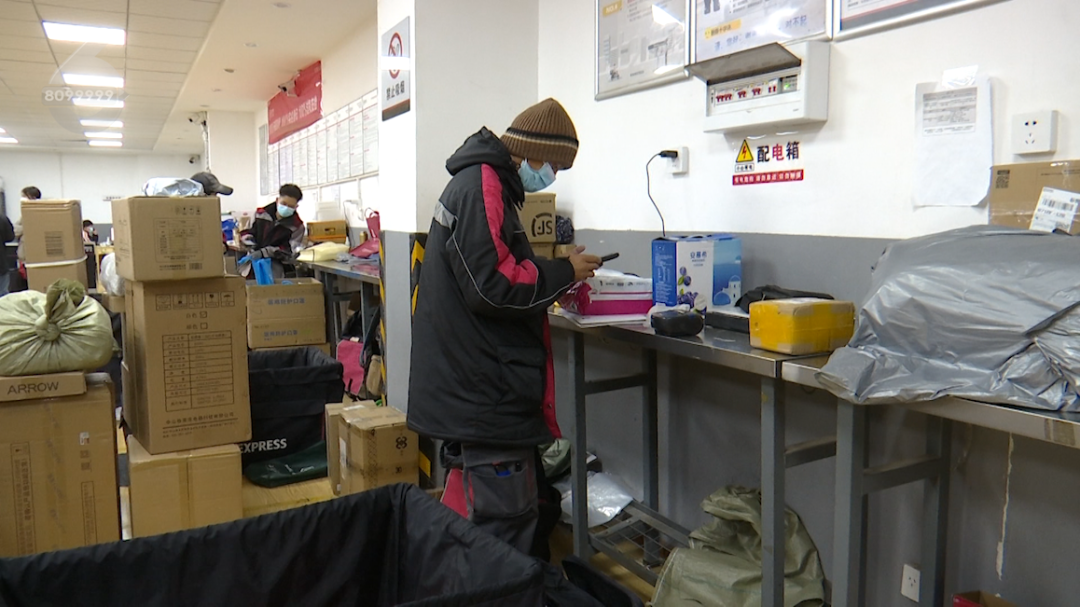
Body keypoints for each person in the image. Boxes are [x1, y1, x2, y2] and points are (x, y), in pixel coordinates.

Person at [407, 98, 601, 556]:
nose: (552, 176)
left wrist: (554, 270)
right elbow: (493, 287)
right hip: (482, 388)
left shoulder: (484, 183)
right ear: (533, 152)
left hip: (474, 382)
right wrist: (563, 273)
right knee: (500, 525)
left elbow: (492, 270)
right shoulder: (482, 186)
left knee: (485, 515)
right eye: (554, 165)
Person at [239, 183, 304, 278]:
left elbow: (289, 250)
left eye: (290, 206)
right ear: (277, 200)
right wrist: (250, 243)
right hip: (252, 264)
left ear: (296, 207)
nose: (286, 208)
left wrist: (264, 252)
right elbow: (246, 232)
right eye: (283, 204)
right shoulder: (260, 214)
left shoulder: (296, 226)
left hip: (274, 270)